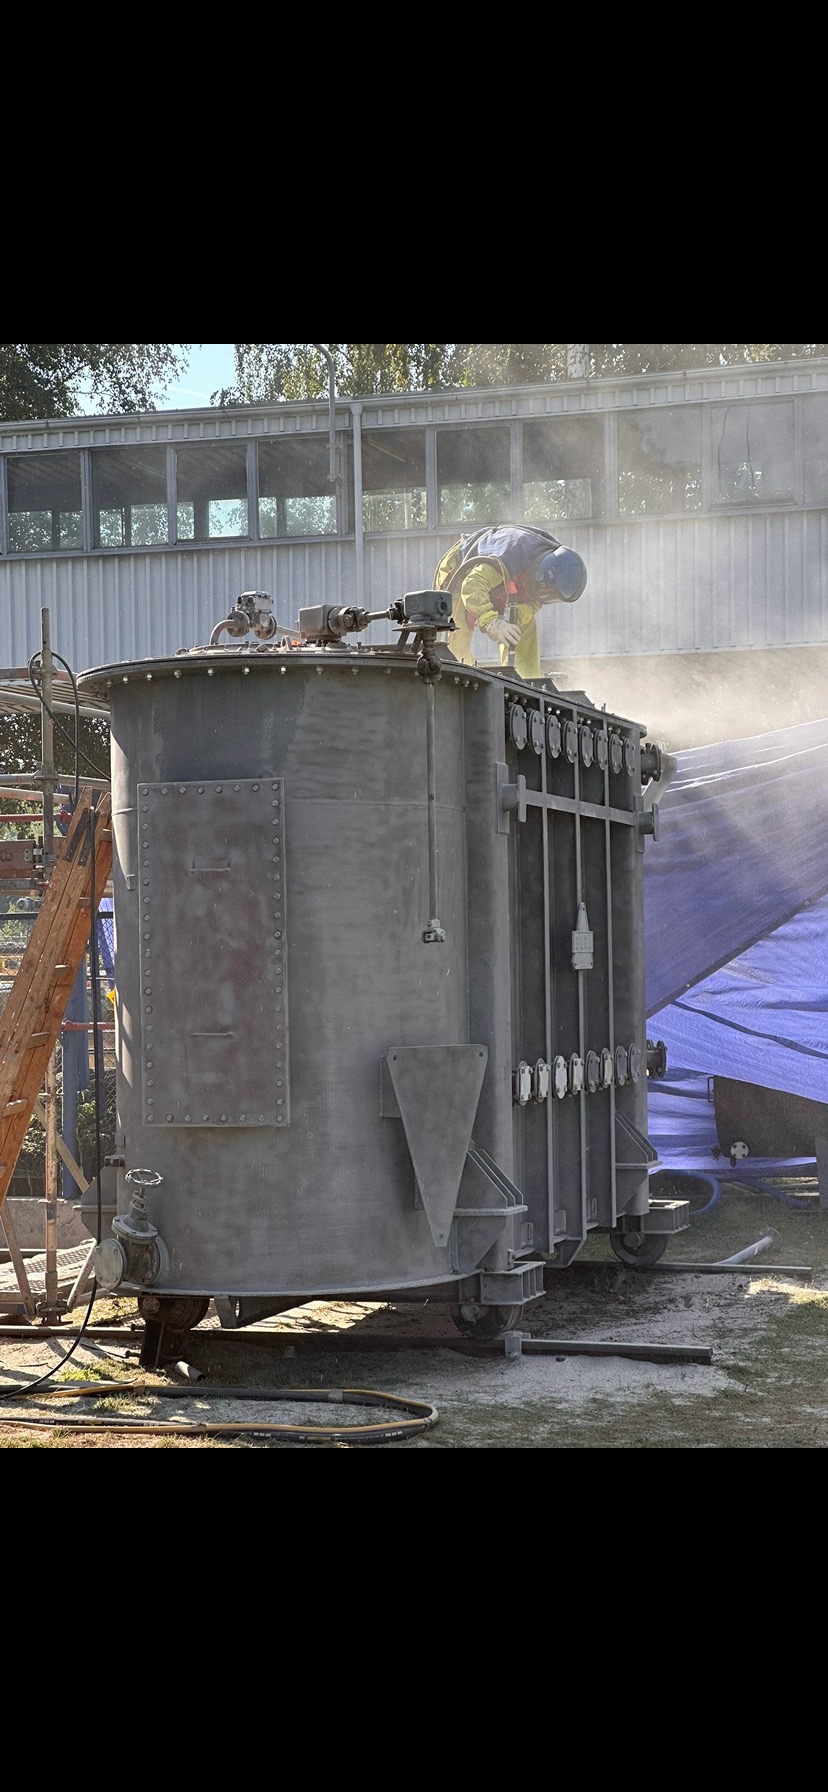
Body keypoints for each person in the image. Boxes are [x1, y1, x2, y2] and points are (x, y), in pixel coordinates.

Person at [433, 522, 587, 680]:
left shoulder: (546, 568)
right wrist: (492, 622)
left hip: (498, 582)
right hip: (461, 569)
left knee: (523, 627)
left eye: (549, 595)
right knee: (457, 634)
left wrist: (514, 618)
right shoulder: (508, 558)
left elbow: (533, 603)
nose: (544, 596)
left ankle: (526, 681)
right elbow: (472, 586)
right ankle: (455, 682)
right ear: (542, 575)